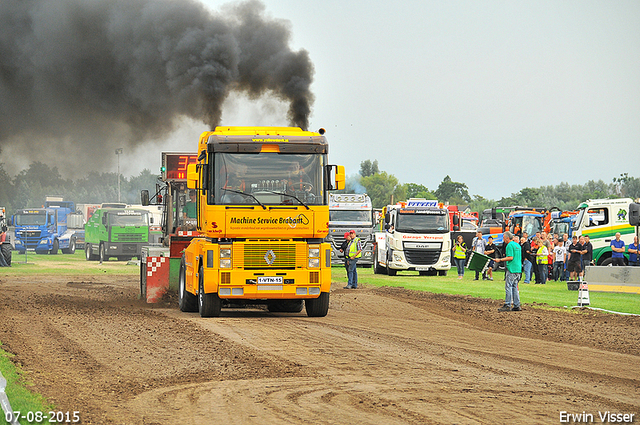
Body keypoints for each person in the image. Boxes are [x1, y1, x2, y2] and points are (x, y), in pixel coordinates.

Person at [495, 231, 522, 312]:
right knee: (514, 287)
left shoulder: (509, 245)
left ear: (507, 238)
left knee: (508, 287)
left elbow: (510, 257)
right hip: (518, 269)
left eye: (503, 238)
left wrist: (500, 260)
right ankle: (517, 305)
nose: (503, 239)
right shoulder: (517, 245)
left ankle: (507, 304)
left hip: (511, 269)